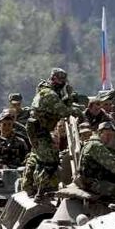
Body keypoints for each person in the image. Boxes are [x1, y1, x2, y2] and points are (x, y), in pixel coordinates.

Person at [22, 68, 81, 199]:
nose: (62, 83)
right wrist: (76, 108)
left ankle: (37, 187)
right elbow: (64, 111)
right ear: (54, 79)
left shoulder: (47, 91)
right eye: (61, 81)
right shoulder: (49, 94)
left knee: (51, 157)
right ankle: (40, 190)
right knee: (47, 161)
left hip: (40, 130)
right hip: (38, 131)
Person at [76, 121, 115, 201]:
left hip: (92, 180)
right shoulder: (96, 146)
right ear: (99, 133)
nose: (109, 138)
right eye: (107, 135)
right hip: (92, 183)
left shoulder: (92, 143)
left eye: (112, 135)